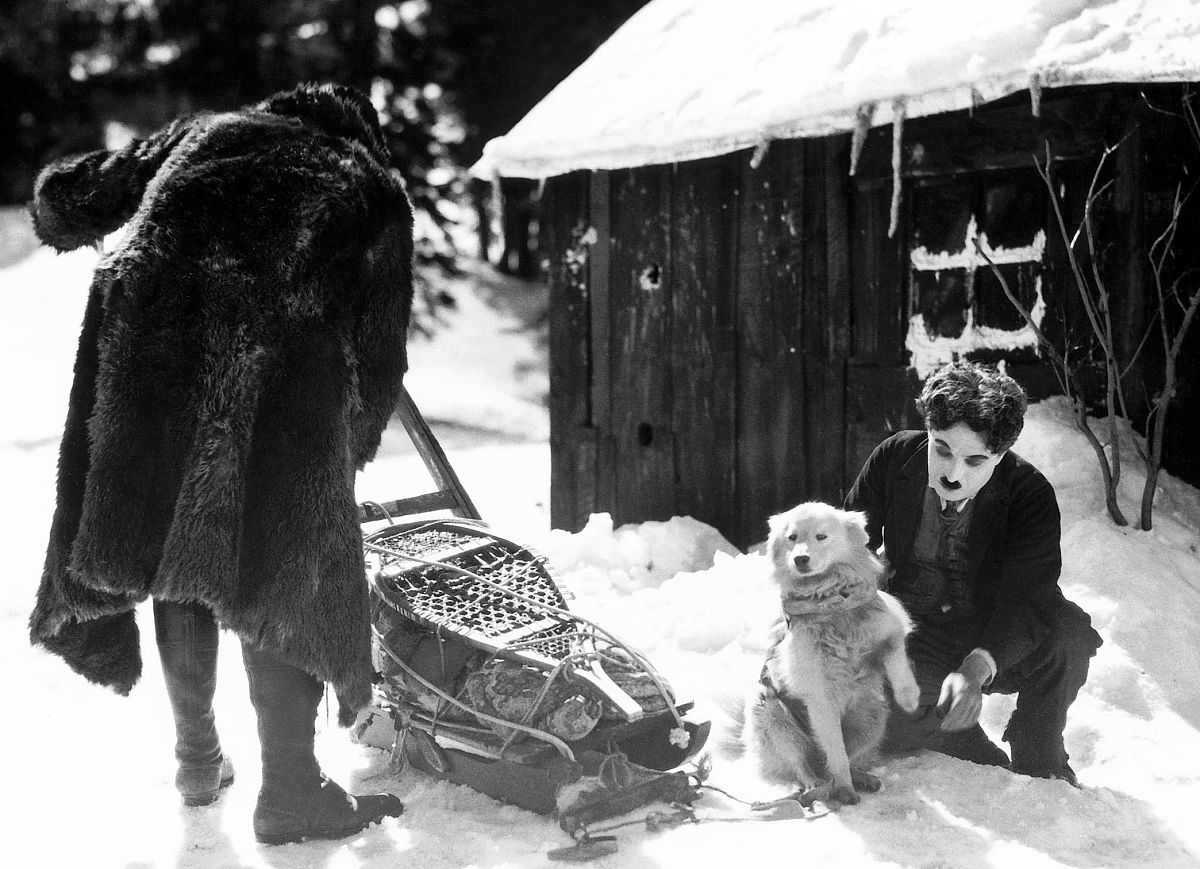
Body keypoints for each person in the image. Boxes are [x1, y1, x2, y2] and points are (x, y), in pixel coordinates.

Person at [28, 83, 413, 843]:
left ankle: (198, 759)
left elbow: (70, 199)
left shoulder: (205, 132)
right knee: (282, 556)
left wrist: (54, 201)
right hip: (282, 358)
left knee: (181, 543)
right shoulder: (371, 186)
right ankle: (292, 792)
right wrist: (341, 456)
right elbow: (379, 355)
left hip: (147, 333)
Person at [844, 360, 1102, 785]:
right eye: (941, 449)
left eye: (975, 459)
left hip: (997, 631)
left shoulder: (1029, 494)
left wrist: (976, 669)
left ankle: (1039, 747)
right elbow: (849, 546)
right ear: (928, 431)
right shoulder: (894, 459)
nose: (952, 473)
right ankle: (960, 738)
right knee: (882, 722)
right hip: (918, 630)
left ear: (1000, 456)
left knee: (1069, 635)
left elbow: (1026, 597)